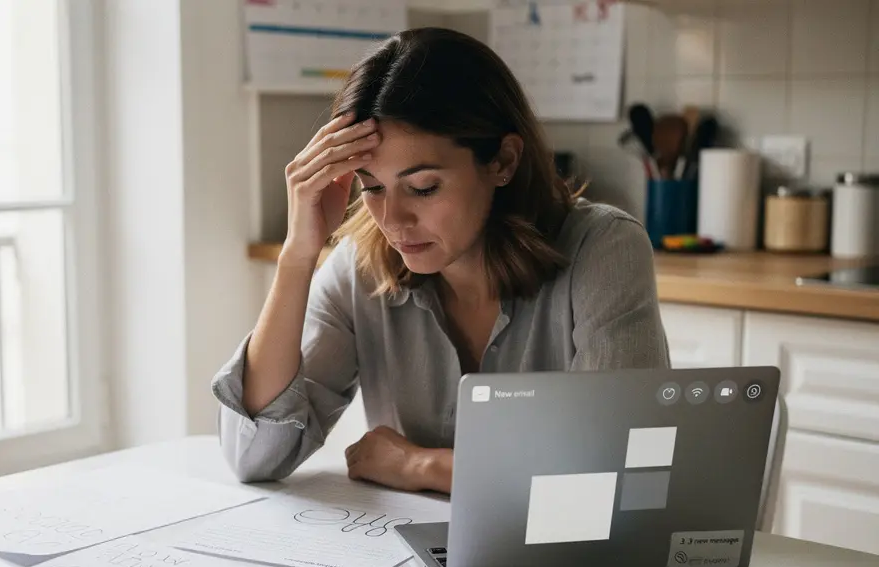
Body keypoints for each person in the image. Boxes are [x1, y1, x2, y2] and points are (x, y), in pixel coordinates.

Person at [211, 27, 670, 494]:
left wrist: (421, 466)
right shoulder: (359, 265)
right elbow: (254, 456)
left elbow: (621, 469)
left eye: (424, 187)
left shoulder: (604, 248)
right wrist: (297, 254)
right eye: (371, 187)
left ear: (504, 161)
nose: (393, 220)